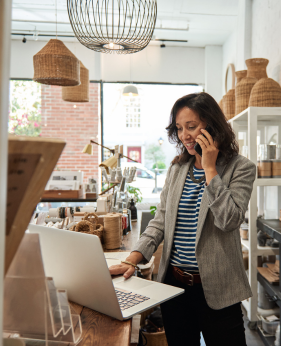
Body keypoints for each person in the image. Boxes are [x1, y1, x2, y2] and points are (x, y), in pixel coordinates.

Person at [109, 92, 256, 346]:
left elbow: (229, 220)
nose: (184, 135)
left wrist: (210, 168)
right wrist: (132, 259)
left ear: (212, 126)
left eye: (192, 126)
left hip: (219, 290)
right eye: (179, 128)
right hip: (174, 288)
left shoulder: (240, 168)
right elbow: (160, 221)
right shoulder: (178, 169)